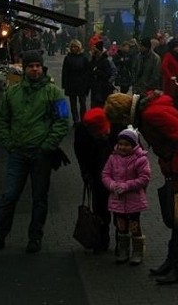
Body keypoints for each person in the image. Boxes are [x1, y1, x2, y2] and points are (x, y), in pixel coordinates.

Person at [104, 91, 178, 285]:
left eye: (121, 119)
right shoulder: (149, 110)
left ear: (125, 114)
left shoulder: (151, 114)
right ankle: (171, 262)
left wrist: (174, 168)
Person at [0, 50, 70, 254]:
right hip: (18, 152)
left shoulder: (54, 92)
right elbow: (2, 120)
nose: (34, 69)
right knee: (9, 196)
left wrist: (48, 145)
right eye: (31, 66)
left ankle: (35, 237)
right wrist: (9, 143)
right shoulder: (12, 93)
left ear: (42, 68)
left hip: (41, 154)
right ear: (24, 69)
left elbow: (62, 121)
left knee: (39, 197)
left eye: (37, 66)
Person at [102, 128, 151, 266]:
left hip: (134, 200)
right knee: (121, 226)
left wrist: (127, 186)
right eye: (120, 144)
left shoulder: (140, 159)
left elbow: (144, 178)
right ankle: (123, 250)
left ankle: (137, 251)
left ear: (134, 145)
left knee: (134, 226)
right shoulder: (113, 158)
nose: (123, 147)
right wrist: (112, 185)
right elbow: (105, 174)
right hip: (117, 200)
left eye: (127, 144)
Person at [73, 107, 115, 253]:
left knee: (106, 205)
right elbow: (82, 157)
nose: (105, 134)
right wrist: (86, 174)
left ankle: (106, 238)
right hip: (96, 172)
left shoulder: (91, 133)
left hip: (109, 173)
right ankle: (102, 237)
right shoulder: (83, 135)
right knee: (100, 205)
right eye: (101, 132)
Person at [62, 39, 90, 123]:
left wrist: (87, 84)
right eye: (72, 47)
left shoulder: (84, 57)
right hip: (71, 83)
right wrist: (64, 84)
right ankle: (76, 120)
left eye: (75, 47)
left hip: (82, 83)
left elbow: (87, 71)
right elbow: (65, 72)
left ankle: (83, 119)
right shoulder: (68, 58)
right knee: (73, 103)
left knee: (82, 103)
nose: (74, 48)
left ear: (79, 47)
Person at [89, 40, 116, 108]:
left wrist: (98, 72)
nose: (94, 52)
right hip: (94, 87)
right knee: (93, 105)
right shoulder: (93, 60)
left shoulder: (105, 61)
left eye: (95, 50)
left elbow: (107, 74)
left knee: (100, 106)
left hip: (102, 88)